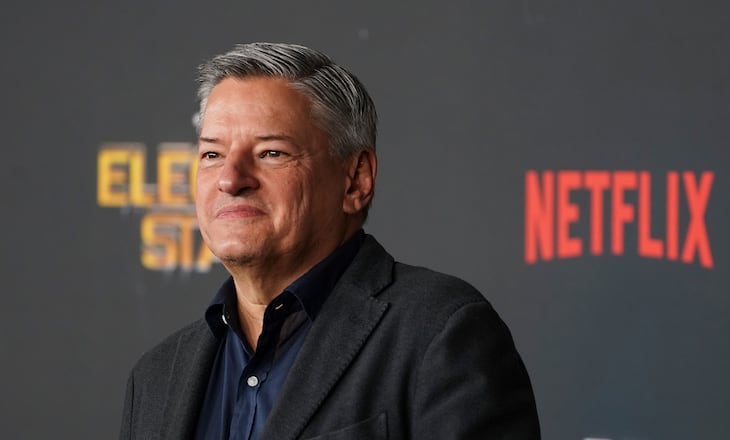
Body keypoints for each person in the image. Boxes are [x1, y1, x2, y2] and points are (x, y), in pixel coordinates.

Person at [120, 42, 540, 440]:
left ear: (355, 179)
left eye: (271, 153)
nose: (231, 179)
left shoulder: (439, 334)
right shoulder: (156, 378)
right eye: (212, 155)